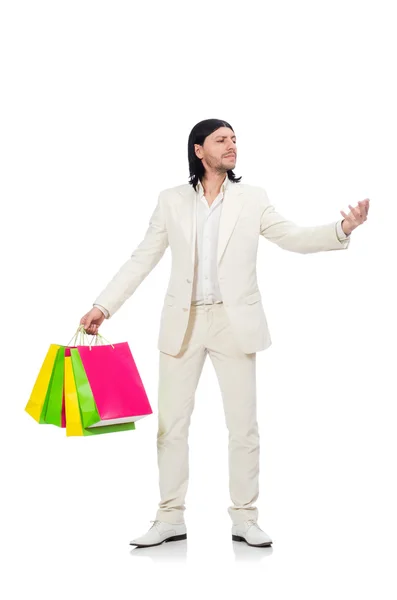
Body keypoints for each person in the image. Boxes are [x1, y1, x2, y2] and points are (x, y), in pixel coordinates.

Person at [80, 118, 370, 548]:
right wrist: (103, 305)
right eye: (221, 140)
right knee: (171, 427)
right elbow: (143, 257)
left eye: (235, 139)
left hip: (236, 324)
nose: (232, 145)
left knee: (243, 426)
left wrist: (341, 230)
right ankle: (169, 517)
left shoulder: (252, 199)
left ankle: (245, 516)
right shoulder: (171, 200)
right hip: (183, 323)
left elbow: (290, 236)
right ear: (199, 150)